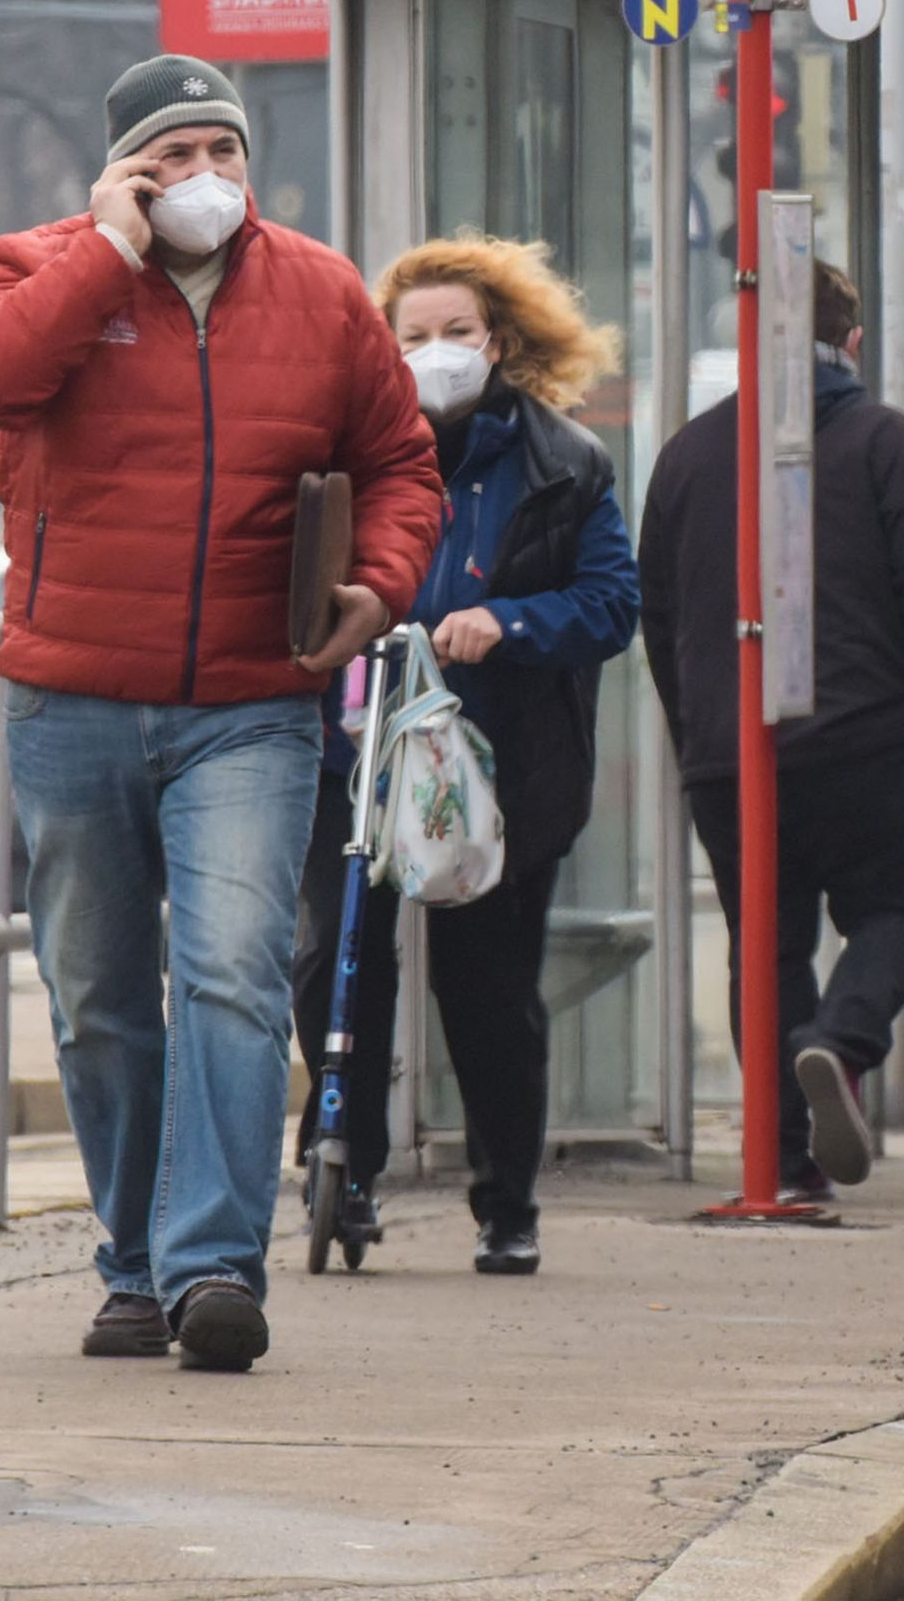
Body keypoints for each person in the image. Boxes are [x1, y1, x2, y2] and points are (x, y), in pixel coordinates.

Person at [0, 55, 442, 1374]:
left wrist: (378, 587)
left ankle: (214, 1260)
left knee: (231, 968)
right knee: (100, 992)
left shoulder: (323, 292)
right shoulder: (38, 268)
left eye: (223, 149)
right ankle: (133, 1261)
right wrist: (104, 256)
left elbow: (401, 465)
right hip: (73, 695)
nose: (202, 177)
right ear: (121, 172)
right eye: (171, 156)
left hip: (251, 704)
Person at [293, 236, 640, 1275]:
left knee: (489, 988)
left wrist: (510, 623)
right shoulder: (348, 448)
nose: (436, 353)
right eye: (415, 337)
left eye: (458, 334)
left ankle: (507, 1199)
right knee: (336, 960)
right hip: (355, 751)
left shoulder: (563, 462)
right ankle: (341, 1170)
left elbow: (612, 602)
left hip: (496, 759)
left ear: (499, 342)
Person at [638, 260, 904, 1194]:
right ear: (851, 343)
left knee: (767, 942)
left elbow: (656, 612)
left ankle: (785, 1161)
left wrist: (697, 730)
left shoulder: (688, 454)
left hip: (728, 751)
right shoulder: (881, 439)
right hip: (866, 735)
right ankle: (841, 1041)